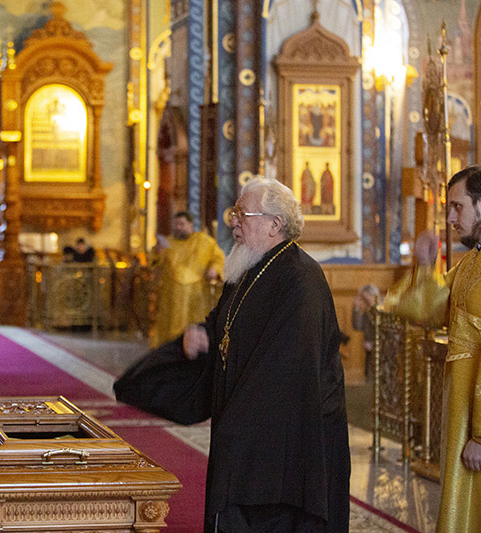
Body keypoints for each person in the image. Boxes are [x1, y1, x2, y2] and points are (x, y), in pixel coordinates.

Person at [117, 178, 350, 532]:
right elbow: (224, 325)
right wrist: (200, 335)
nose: (233, 222)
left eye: (243, 214)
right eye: (234, 212)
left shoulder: (302, 281)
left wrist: (235, 425)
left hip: (286, 443)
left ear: (275, 224)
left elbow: (285, 368)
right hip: (248, 425)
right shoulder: (246, 269)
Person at [388, 165, 481, 532]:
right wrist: (424, 266)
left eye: (457, 207)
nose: (450, 218)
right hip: (463, 411)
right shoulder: (474, 260)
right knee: (463, 509)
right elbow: (429, 309)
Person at [150, 211, 225, 348]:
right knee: (169, 334)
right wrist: (157, 252)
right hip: (170, 298)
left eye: (182, 224)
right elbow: (156, 263)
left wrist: (215, 269)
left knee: (194, 328)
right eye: (176, 224)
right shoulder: (168, 242)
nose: (178, 227)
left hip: (196, 297)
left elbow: (219, 259)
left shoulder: (204, 241)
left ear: (191, 224)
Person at [352, 283, 380, 379]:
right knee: (369, 376)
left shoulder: (381, 311)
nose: (365, 302)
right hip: (370, 351)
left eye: (366, 299)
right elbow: (357, 326)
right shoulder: (367, 312)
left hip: (381, 351)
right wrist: (356, 308)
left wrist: (373, 343)